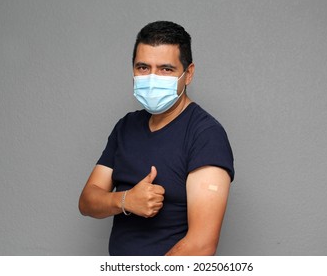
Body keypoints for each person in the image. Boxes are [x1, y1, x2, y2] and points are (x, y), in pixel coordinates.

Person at [79, 21, 235, 256]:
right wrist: (126, 200)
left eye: (165, 69)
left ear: (188, 73)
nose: (152, 78)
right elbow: (88, 201)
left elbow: (201, 245)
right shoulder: (126, 127)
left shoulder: (205, 135)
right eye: (143, 67)